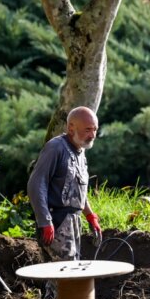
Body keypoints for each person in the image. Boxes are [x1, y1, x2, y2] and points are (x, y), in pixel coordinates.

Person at [27, 106, 102, 263]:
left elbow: (78, 190)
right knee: (64, 273)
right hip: (57, 221)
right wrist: (45, 221)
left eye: (95, 130)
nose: (92, 135)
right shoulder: (56, 147)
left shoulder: (81, 152)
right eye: (88, 129)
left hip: (74, 221)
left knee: (66, 272)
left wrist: (90, 216)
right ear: (71, 128)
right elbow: (36, 184)